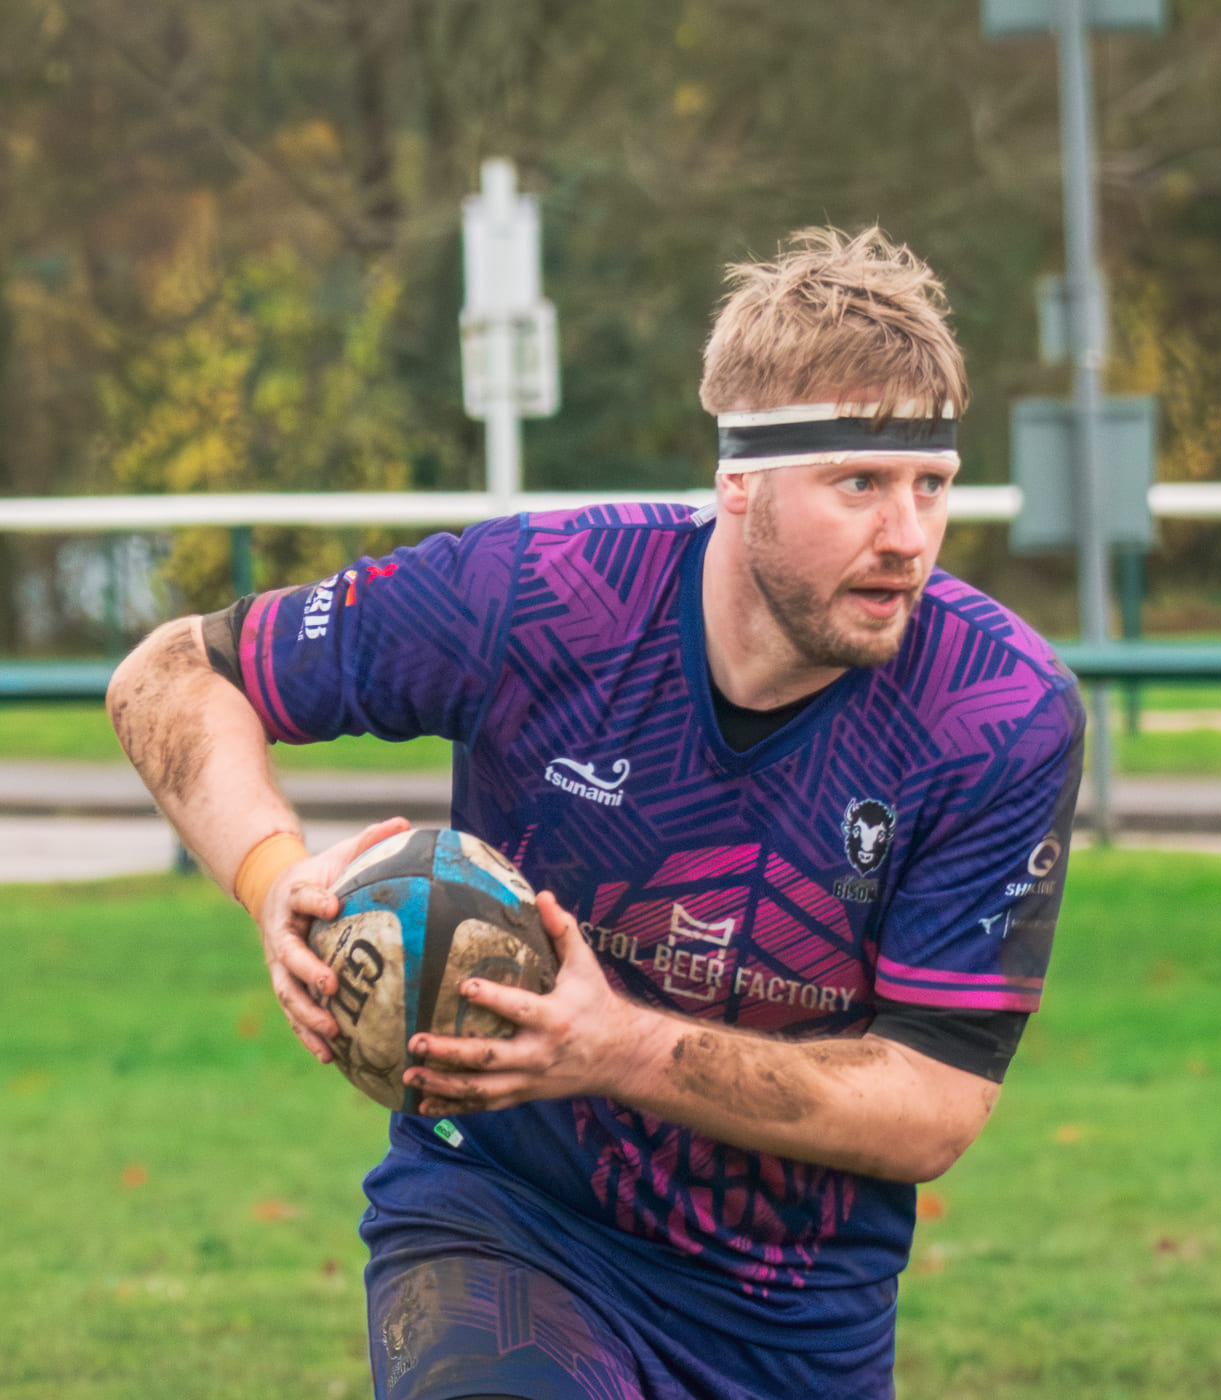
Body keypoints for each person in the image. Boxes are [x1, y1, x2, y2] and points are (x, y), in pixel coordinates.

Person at [108, 225, 1084, 1400]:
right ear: (738, 477)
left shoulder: (998, 709)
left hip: (791, 1317)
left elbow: (929, 1105)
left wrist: (612, 1044)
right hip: (505, 1220)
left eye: (930, 485)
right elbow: (170, 672)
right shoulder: (544, 597)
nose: (906, 536)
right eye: (857, 483)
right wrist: (275, 883)